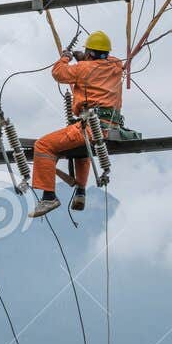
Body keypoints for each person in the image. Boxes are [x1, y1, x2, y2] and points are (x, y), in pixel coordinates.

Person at [29, 31, 124, 218]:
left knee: (43, 145)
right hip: (110, 126)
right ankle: (80, 191)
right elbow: (103, 60)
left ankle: (49, 196)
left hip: (90, 124)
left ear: (89, 53)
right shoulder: (116, 65)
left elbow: (58, 73)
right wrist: (84, 58)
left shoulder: (83, 69)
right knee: (82, 148)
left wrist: (65, 58)